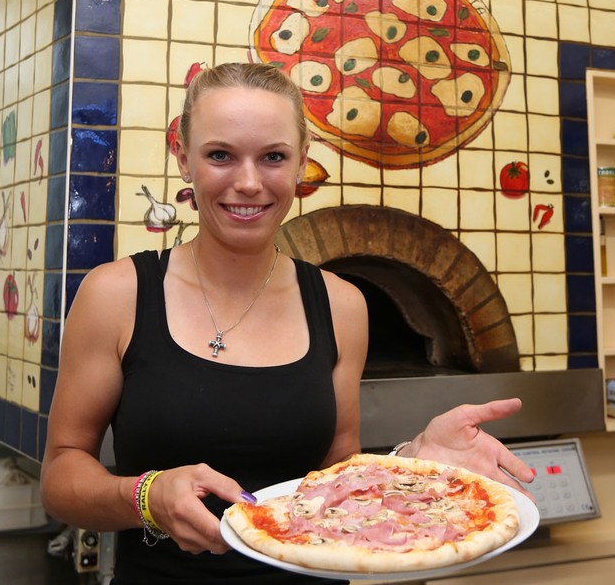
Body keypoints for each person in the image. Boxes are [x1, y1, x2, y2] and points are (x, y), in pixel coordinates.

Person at [41, 62, 534, 584]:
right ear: (184, 160)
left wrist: (410, 459)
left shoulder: (342, 305)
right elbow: (61, 474)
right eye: (220, 156)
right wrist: (143, 495)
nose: (249, 183)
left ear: (302, 165)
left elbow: (334, 473)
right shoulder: (118, 294)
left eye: (273, 157)